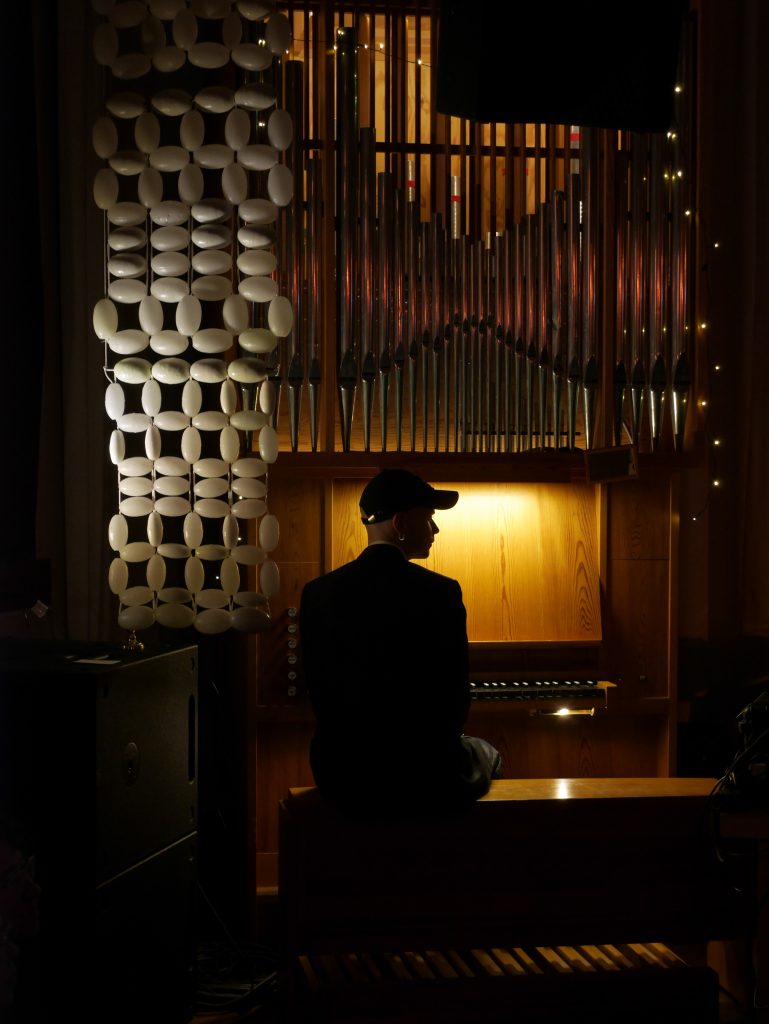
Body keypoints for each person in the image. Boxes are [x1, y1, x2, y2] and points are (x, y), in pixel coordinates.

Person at [299, 468, 501, 816]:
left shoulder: (317, 593)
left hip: (341, 775)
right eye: (430, 518)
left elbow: (319, 694)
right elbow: (455, 703)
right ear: (401, 524)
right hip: (422, 775)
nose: (435, 529)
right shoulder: (441, 592)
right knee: (488, 752)